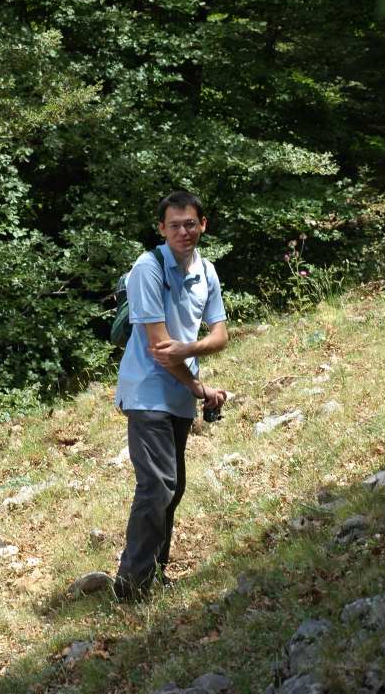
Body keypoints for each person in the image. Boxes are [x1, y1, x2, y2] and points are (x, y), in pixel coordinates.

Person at [114, 190, 228, 600]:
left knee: (173, 487)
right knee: (157, 485)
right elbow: (160, 350)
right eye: (175, 225)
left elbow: (220, 336)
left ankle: (153, 575)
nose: (184, 231)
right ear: (161, 229)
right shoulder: (148, 268)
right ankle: (131, 585)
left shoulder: (207, 271)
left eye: (190, 223)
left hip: (179, 395)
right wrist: (199, 386)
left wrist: (191, 351)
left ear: (203, 225)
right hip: (147, 392)